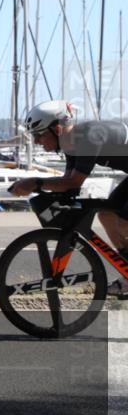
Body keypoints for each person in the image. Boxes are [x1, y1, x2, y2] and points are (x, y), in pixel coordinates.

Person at [9, 100, 128, 298]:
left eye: (39, 135)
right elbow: (66, 182)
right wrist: (39, 188)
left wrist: (35, 182)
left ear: (57, 129)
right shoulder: (70, 144)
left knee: (123, 223)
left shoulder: (89, 136)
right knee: (107, 215)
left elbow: (74, 182)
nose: (37, 141)